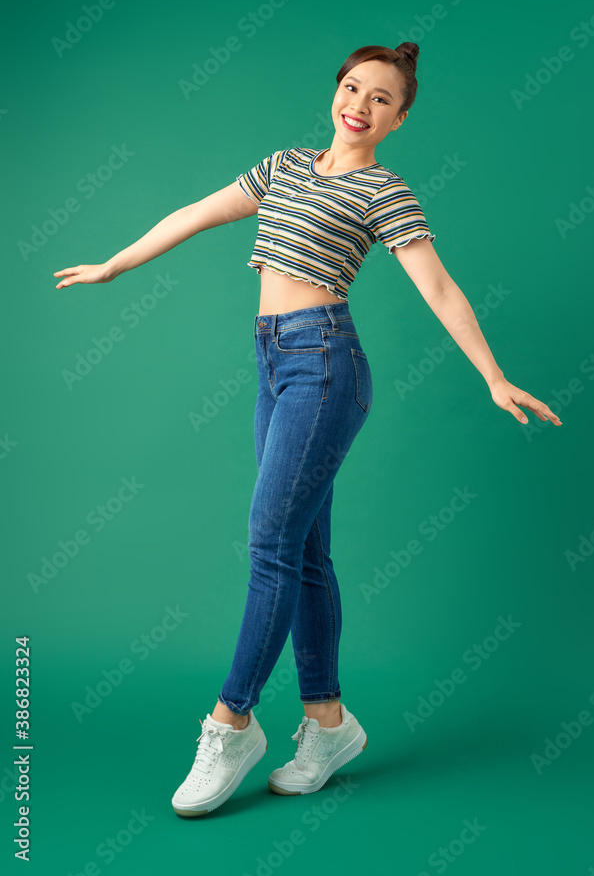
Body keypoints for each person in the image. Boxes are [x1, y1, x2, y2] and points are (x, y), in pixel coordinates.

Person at [53, 42, 562, 818]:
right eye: (352, 87)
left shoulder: (384, 190)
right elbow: (198, 211)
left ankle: (232, 723)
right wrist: (116, 265)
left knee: (269, 546)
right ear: (336, 92)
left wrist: (491, 376)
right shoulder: (284, 165)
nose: (360, 103)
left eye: (381, 98)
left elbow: (437, 284)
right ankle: (328, 725)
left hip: (323, 365)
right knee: (305, 553)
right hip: (272, 361)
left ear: (398, 117)